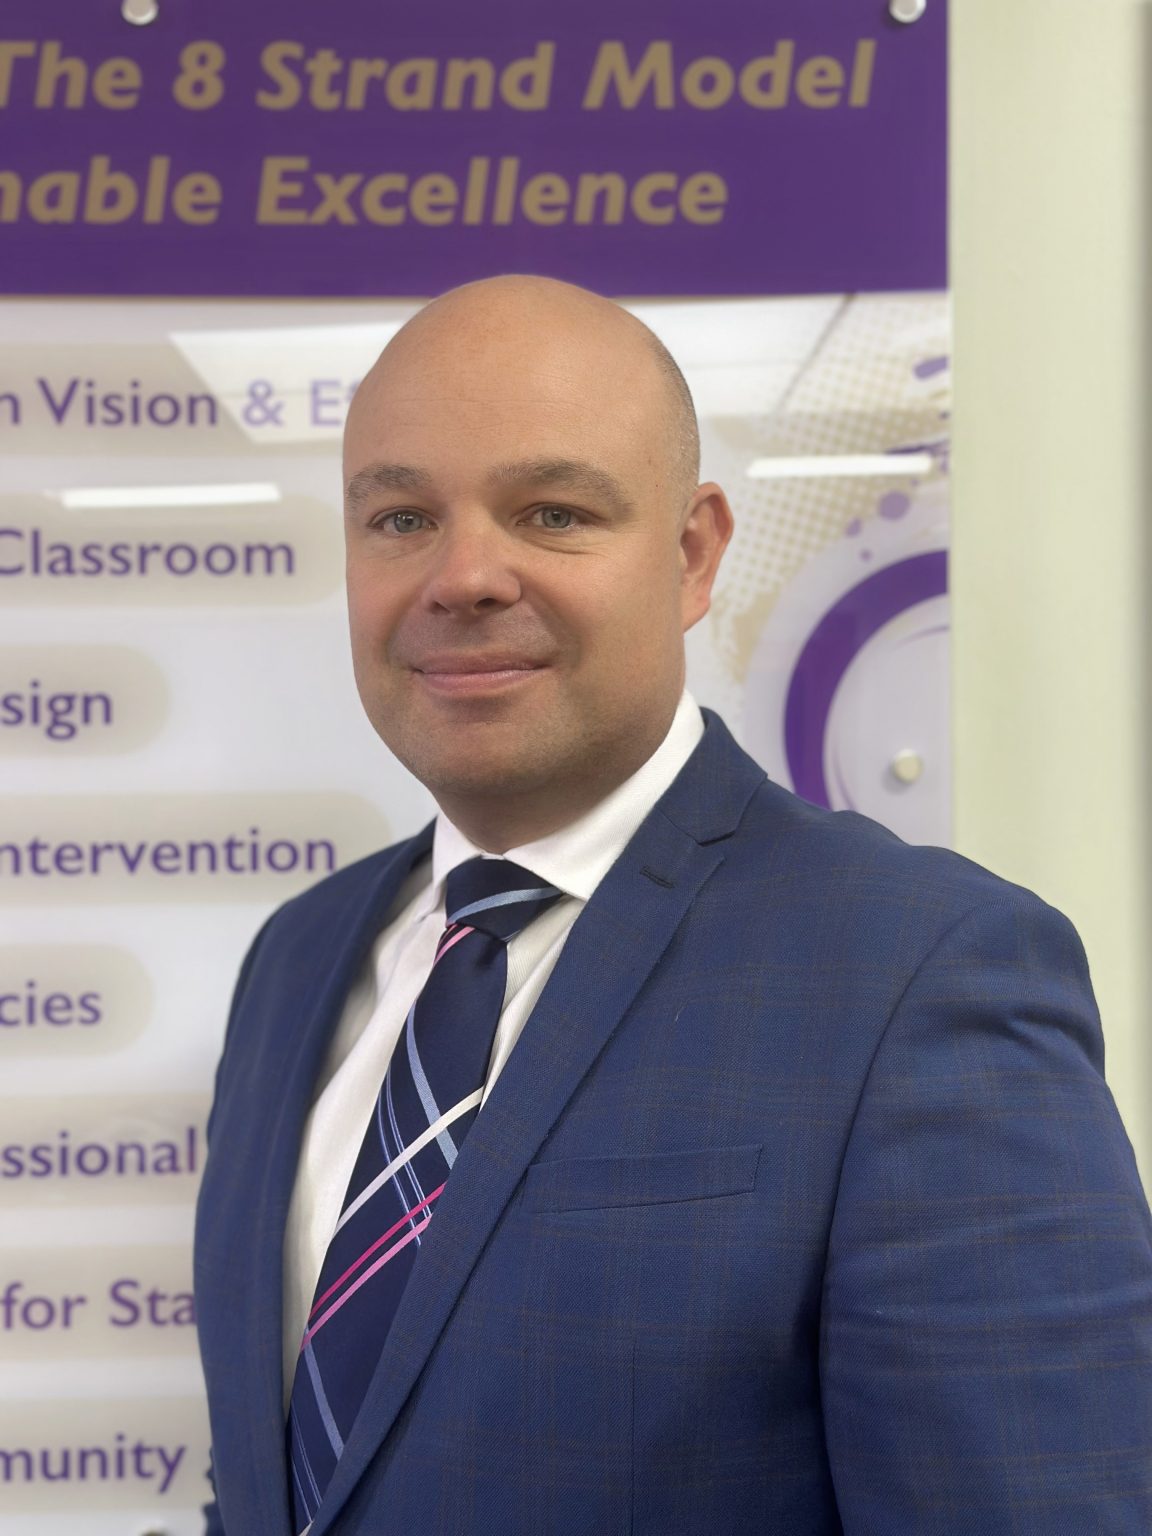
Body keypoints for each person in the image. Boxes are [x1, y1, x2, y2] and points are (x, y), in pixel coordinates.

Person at [194, 276, 1152, 1536]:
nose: (463, 575)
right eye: (402, 518)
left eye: (552, 512)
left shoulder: (921, 975)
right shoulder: (297, 959)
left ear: (693, 554)